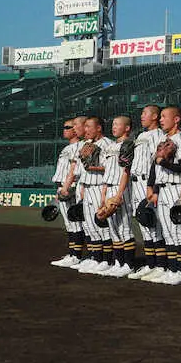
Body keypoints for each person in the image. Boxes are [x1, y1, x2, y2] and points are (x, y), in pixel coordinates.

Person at [146, 106, 181, 285]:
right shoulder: (163, 140)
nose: (161, 120)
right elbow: (155, 167)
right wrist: (153, 189)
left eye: (165, 116)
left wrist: (163, 162)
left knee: (177, 232)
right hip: (162, 189)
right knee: (168, 232)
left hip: (175, 187)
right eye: (161, 116)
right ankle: (172, 269)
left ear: (176, 119)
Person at [126, 105, 166, 279]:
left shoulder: (159, 135)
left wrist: (153, 187)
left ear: (155, 116)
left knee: (154, 224)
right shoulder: (141, 136)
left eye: (145, 113)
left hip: (147, 182)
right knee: (143, 224)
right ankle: (151, 264)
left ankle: (161, 266)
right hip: (135, 182)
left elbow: (156, 164)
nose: (141, 116)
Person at [70, 116, 113, 274]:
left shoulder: (107, 144)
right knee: (89, 226)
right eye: (85, 126)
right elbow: (84, 170)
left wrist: (93, 167)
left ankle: (107, 260)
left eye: (89, 126)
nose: (85, 129)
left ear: (99, 128)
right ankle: (95, 257)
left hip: (99, 187)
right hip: (87, 187)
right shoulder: (88, 144)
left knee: (101, 225)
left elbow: (111, 168)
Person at [99, 115, 136, 277]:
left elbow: (126, 171)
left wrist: (120, 194)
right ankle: (118, 262)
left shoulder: (128, 144)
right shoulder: (110, 147)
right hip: (109, 186)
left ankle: (129, 264)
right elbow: (107, 171)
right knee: (113, 228)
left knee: (125, 227)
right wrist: (103, 195)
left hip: (122, 188)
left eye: (117, 124)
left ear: (127, 128)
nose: (113, 127)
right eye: (113, 124)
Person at [50, 116, 87, 268]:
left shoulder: (80, 146)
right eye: (64, 127)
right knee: (69, 224)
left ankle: (76, 256)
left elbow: (76, 172)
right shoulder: (67, 148)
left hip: (71, 188)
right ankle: (72, 254)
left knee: (75, 223)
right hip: (62, 187)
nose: (64, 130)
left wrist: (68, 188)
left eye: (68, 127)